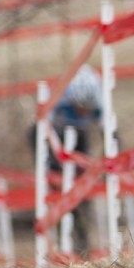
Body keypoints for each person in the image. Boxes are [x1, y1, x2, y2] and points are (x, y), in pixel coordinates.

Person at [29, 63, 106, 253]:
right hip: (54, 135)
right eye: (80, 109)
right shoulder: (58, 98)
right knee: (59, 189)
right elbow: (37, 132)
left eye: (87, 111)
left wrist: (104, 166)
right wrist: (48, 165)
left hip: (79, 138)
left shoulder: (101, 101)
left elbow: (111, 135)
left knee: (81, 193)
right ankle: (60, 241)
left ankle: (82, 246)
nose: (83, 114)